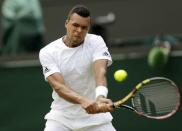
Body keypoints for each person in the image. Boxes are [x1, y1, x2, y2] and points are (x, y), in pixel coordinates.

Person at [39, 5, 116, 131]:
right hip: (61, 119)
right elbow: (59, 87)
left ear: (88, 28)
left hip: (96, 121)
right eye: (75, 25)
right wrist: (83, 101)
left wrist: (101, 96)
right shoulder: (48, 52)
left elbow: (100, 72)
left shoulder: (96, 41)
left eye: (84, 27)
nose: (79, 30)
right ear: (66, 23)